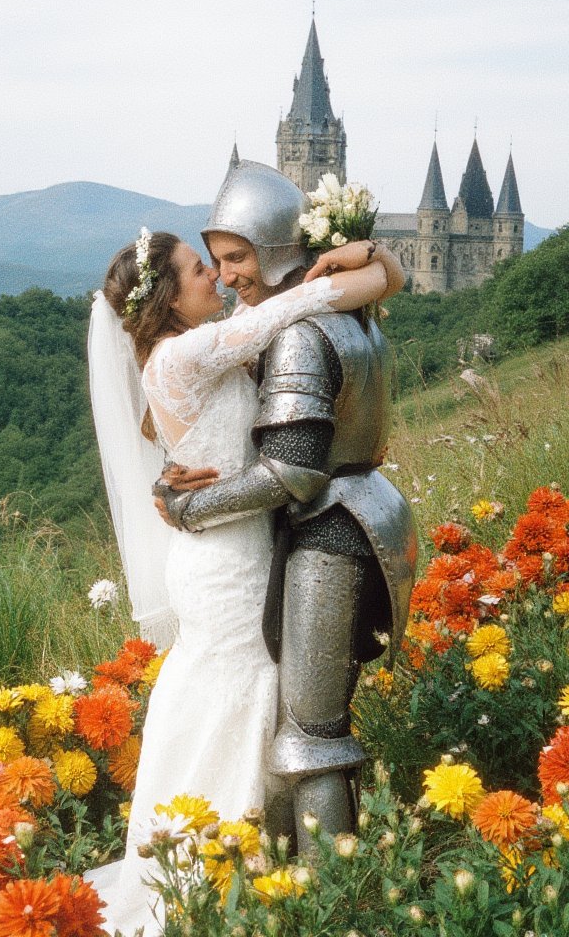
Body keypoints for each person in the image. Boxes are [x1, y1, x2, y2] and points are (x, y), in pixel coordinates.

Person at [86, 223, 403, 935]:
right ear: (168, 294)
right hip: (225, 560)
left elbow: (363, 290)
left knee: (236, 690)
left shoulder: (191, 347)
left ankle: (244, 853)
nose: (219, 278)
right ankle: (223, 861)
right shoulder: (186, 352)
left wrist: (379, 260)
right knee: (242, 689)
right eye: (201, 268)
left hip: (238, 546)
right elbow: (318, 299)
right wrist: (362, 264)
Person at [153, 159, 417, 855]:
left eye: (237, 256)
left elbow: (293, 472)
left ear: (275, 246)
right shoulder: (342, 307)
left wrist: (191, 509)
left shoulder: (301, 332)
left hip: (329, 527)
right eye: (215, 262)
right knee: (312, 721)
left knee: (311, 732)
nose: (229, 274)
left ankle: (331, 892)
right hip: (358, 513)